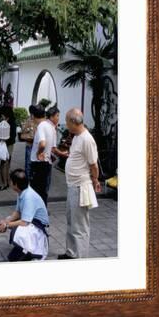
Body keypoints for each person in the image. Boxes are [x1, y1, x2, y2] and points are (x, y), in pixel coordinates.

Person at [58, 108, 101, 259]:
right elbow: (76, 156)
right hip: (72, 186)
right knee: (71, 222)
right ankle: (71, 253)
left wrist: (95, 180)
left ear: (73, 122)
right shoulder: (76, 137)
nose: (66, 124)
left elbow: (93, 165)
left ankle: (80, 258)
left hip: (80, 187)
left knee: (80, 227)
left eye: (67, 121)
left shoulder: (87, 139)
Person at [0, 169, 49, 261]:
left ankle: (29, 251)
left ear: (16, 184)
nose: (10, 182)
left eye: (11, 181)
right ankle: (22, 247)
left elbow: (24, 222)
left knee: (18, 228)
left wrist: (7, 225)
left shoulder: (28, 197)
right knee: (11, 221)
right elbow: (18, 212)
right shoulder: (22, 191)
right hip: (31, 221)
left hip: (38, 227)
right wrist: (5, 221)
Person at [29, 104, 67, 206]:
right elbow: (53, 149)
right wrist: (62, 154)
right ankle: (42, 212)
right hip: (46, 164)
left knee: (35, 190)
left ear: (33, 116)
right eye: (57, 115)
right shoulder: (51, 127)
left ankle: (37, 214)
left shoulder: (41, 126)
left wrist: (38, 153)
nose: (58, 118)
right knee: (43, 190)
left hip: (38, 163)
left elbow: (42, 144)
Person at [20, 105, 46, 180]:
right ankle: (28, 180)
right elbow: (23, 133)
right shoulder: (28, 120)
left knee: (36, 164)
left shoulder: (42, 121)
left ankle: (34, 179)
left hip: (38, 146)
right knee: (28, 164)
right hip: (30, 145)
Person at [0, 105, 17, 190]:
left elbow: (12, 136)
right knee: (6, 164)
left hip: (7, 145)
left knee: (4, 164)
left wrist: (3, 140)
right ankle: (6, 182)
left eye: (3, 114)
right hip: (7, 145)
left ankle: (3, 183)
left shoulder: (10, 123)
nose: (2, 116)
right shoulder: (7, 122)